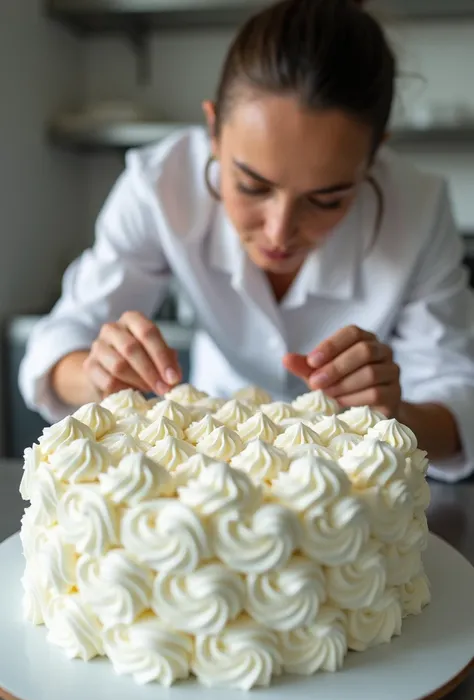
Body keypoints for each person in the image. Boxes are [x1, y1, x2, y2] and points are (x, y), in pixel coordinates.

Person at [20, 0, 474, 482]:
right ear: (214, 130)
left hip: (350, 479)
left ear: (374, 155)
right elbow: (57, 343)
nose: (279, 231)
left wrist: (394, 411)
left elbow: (459, 400)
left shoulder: (420, 210)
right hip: (209, 464)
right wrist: (95, 371)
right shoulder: (162, 185)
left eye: (327, 199)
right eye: (253, 186)